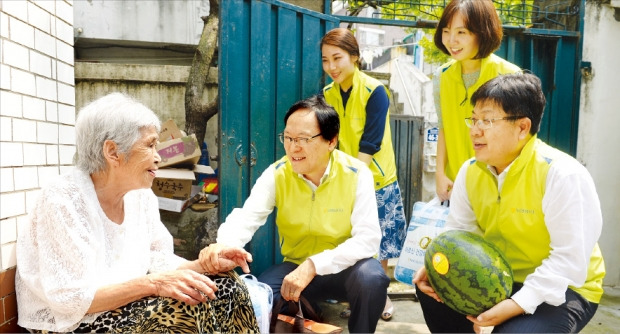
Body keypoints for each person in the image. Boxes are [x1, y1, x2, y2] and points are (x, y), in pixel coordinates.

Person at [15, 93, 259, 333]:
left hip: (126, 303)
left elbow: (157, 259)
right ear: (112, 152)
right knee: (185, 308)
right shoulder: (63, 199)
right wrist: (153, 284)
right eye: (150, 145)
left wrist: (204, 265)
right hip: (74, 322)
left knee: (226, 286)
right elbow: (71, 299)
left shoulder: (140, 195)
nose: (158, 156)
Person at [413, 73, 606, 333]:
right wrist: (435, 262)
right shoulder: (470, 171)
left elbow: (569, 261)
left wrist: (517, 304)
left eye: (488, 120)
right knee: (431, 287)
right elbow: (459, 232)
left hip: (565, 287)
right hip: (501, 278)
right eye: (474, 119)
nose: (475, 130)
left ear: (522, 128)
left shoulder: (562, 174)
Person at [199, 95, 390, 333]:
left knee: (372, 278)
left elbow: (367, 239)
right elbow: (247, 216)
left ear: (331, 141)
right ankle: (309, 315)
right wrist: (223, 245)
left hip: (346, 269)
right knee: (260, 295)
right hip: (295, 266)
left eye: (303, 139)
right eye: (288, 138)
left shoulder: (357, 173)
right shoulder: (277, 173)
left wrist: (314, 264)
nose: (293, 148)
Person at [320, 27, 406, 321]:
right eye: (325, 60)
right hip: (346, 177)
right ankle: (359, 295)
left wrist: (353, 178)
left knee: (378, 242)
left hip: (376, 177)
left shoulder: (375, 90)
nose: (331, 66)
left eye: (337, 58)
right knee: (353, 240)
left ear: (354, 57)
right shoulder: (327, 93)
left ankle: (381, 298)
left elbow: (371, 141)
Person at [433, 0, 521, 202]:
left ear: (482, 32)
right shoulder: (441, 76)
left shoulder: (509, 75)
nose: (451, 41)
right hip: (455, 186)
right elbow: (443, 126)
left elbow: (517, 141)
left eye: (461, 32)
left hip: (497, 189)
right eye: (446, 31)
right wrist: (439, 173)